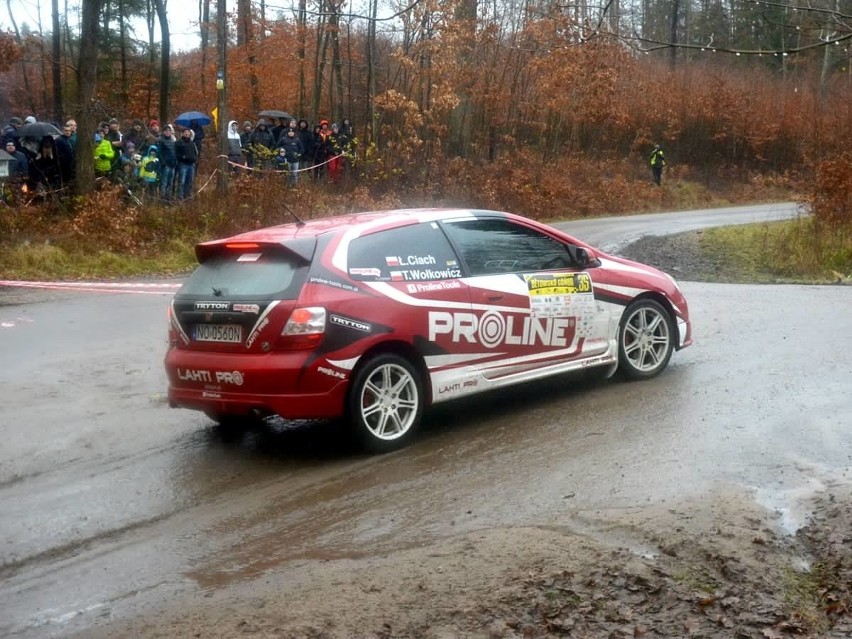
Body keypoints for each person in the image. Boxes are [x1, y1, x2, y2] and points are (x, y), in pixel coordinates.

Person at [175, 127, 199, 200]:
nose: (187, 133)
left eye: (188, 132)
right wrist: (183, 157)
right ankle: (180, 197)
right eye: (185, 132)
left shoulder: (192, 143)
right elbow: (176, 154)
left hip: (191, 165)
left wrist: (195, 158)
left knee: (190, 182)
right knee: (181, 182)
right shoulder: (178, 143)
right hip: (183, 164)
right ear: (182, 133)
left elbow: (195, 152)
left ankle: (188, 196)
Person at [157, 124, 177, 201]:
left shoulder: (172, 141)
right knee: (164, 182)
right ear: (163, 132)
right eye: (166, 131)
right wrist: (163, 163)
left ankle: (168, 198)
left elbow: (175, 152)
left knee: (170, 182)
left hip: (172, 165)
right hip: (165, 165)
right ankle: (162, 198)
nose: (168, 132)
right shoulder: (161, 140)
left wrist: (175, 162)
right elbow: (159, 153)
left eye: (169, 131)